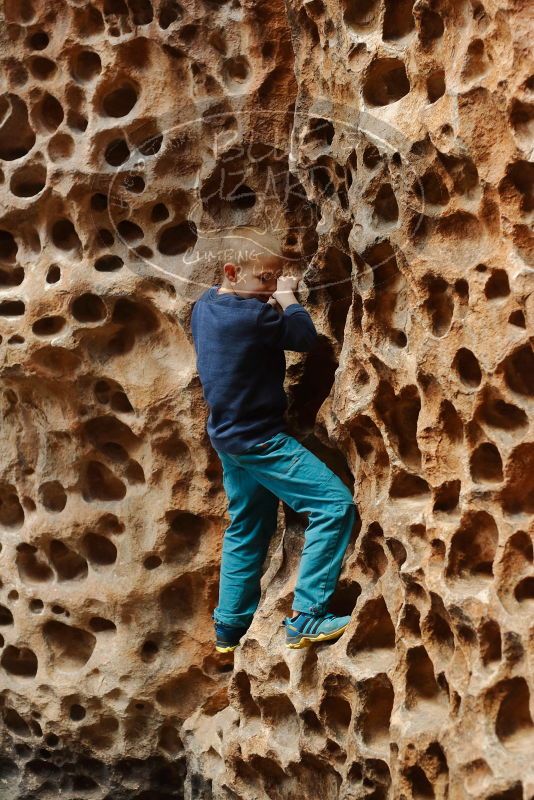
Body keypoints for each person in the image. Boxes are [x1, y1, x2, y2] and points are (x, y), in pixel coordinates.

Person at [190, 226, 357, 651]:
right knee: (333, 506)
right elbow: (304, 338)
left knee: (248, 525)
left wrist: (268, 289)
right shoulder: (257, 316)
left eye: (274, 279)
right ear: (231, 271)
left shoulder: (205, 306)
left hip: (227, 438)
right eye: (264, 279)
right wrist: (288, 299)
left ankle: (228, 628)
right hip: (262, 441)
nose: (269, 288)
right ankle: (307, 616)